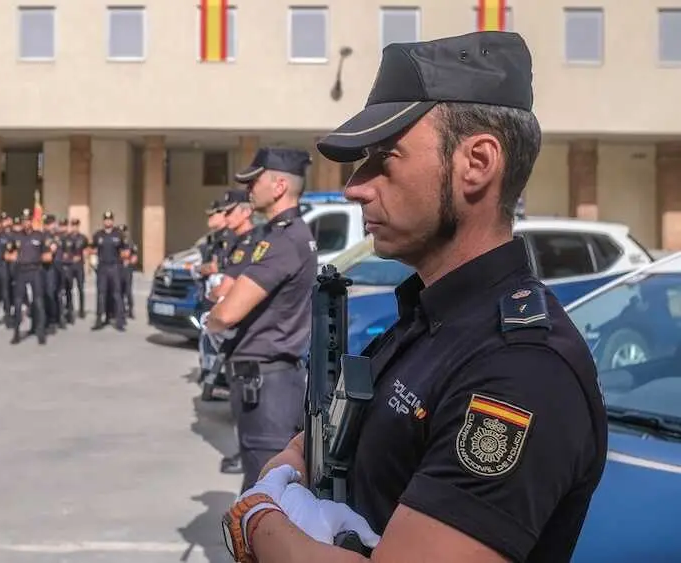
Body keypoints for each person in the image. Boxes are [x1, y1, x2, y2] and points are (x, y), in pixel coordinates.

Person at [226, 32, 608, 563]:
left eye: (385, 157)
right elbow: (333, 443)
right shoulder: (426, 319)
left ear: (477, 162)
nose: (355, 186)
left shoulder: (520, 372)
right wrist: (292, 465)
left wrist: (257, 521)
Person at [202, 147, 316, 493]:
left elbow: (228, 311)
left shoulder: (284, 238)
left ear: (279, 185)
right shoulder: (280, 234)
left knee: (264, 493)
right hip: (266, 380)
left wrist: (213, 320)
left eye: (256, 181)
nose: (249, 189)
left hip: (268, 385)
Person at [205, 188, 264, 476]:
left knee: (246, 402)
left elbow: (229, 286)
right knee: (236, 397)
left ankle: (247, 456)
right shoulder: (237, 241)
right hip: (233, 331)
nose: (225, 216)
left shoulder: (252, 242)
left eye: (230, 211)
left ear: (245, 211)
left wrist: (214, 298)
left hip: (242, 330)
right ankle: (244, 451)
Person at [11, 210, 47, 345]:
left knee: (38, 302)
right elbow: (9, 253)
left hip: (35, 271)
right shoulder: (16, 237)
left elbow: (47, 254)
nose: (25, 223)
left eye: (28, 220)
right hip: (21, 271)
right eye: (23, 221)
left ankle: (40, 333)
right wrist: (13, 257)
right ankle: (16, 333)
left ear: (31, 221)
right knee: (18, 302)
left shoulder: (39, 236)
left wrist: (42, 258)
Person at [90, 210, 125, 331]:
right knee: (101, 294)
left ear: (112, 221)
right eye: (106, 219)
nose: (108, 221)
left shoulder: (118, 234)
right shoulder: (98, 235)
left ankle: (119, 321)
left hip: (114, 267)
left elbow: (124, 251)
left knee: (116, 294)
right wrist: (92, 262)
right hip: (102, 268)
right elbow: (92, 249)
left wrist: (123, 261)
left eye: (110, 219)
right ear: (103, 221)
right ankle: (99, 319)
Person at [64, 218, 89, 319]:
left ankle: (82, 310)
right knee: (68, 289)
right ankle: (70, 310)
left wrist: (84, 257)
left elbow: (87, 250)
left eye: (76, 225)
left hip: (79, 266)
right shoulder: (66, 238)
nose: (74, 227)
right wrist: (70, 258)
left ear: (78, 226)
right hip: (69, 266)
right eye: (73, 225)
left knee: (80, 288)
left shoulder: (83, 238)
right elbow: (64, 253)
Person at [119, 224, 139, 319]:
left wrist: (129, 261)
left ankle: (131, 309)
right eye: (120, 232)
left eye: (124, 231)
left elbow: (134, 257)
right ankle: (120, 310)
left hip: (127, 270)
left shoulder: (130, 244)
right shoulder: (116, 243)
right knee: (119, 291)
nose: (122, 234)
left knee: (128, 290)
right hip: (118, 269)